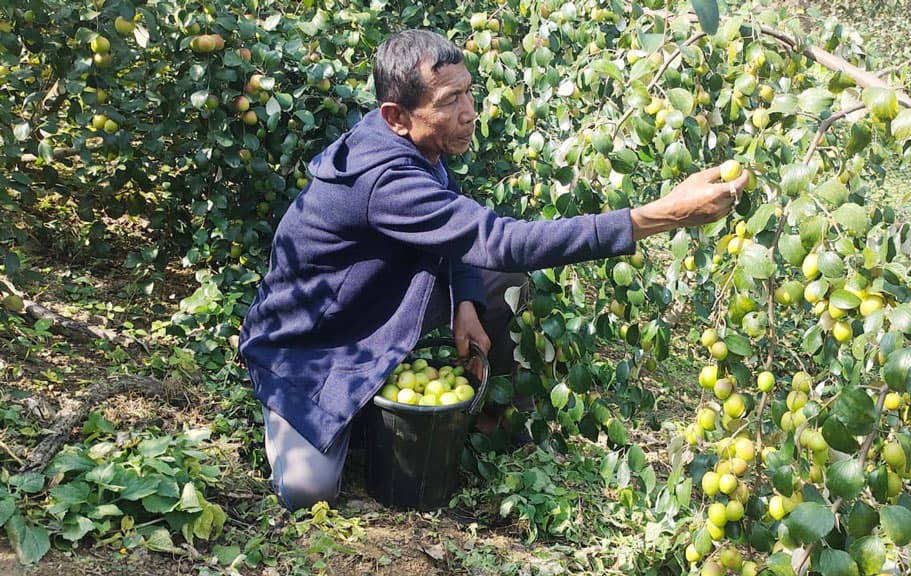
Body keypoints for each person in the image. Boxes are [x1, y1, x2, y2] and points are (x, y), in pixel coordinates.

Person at [238, 29, 749, 511]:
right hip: (311, 342)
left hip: (376, 301)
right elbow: (501, 240)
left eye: (468, 93)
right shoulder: (383, 179)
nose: (468, 112)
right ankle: (324, 403)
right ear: (396, 115)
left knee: (500, 282)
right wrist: (661, 215)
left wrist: (465, 301)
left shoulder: (416, 141)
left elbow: (455, 222)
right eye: (449, 102)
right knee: (309, 490)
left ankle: (479, 420)